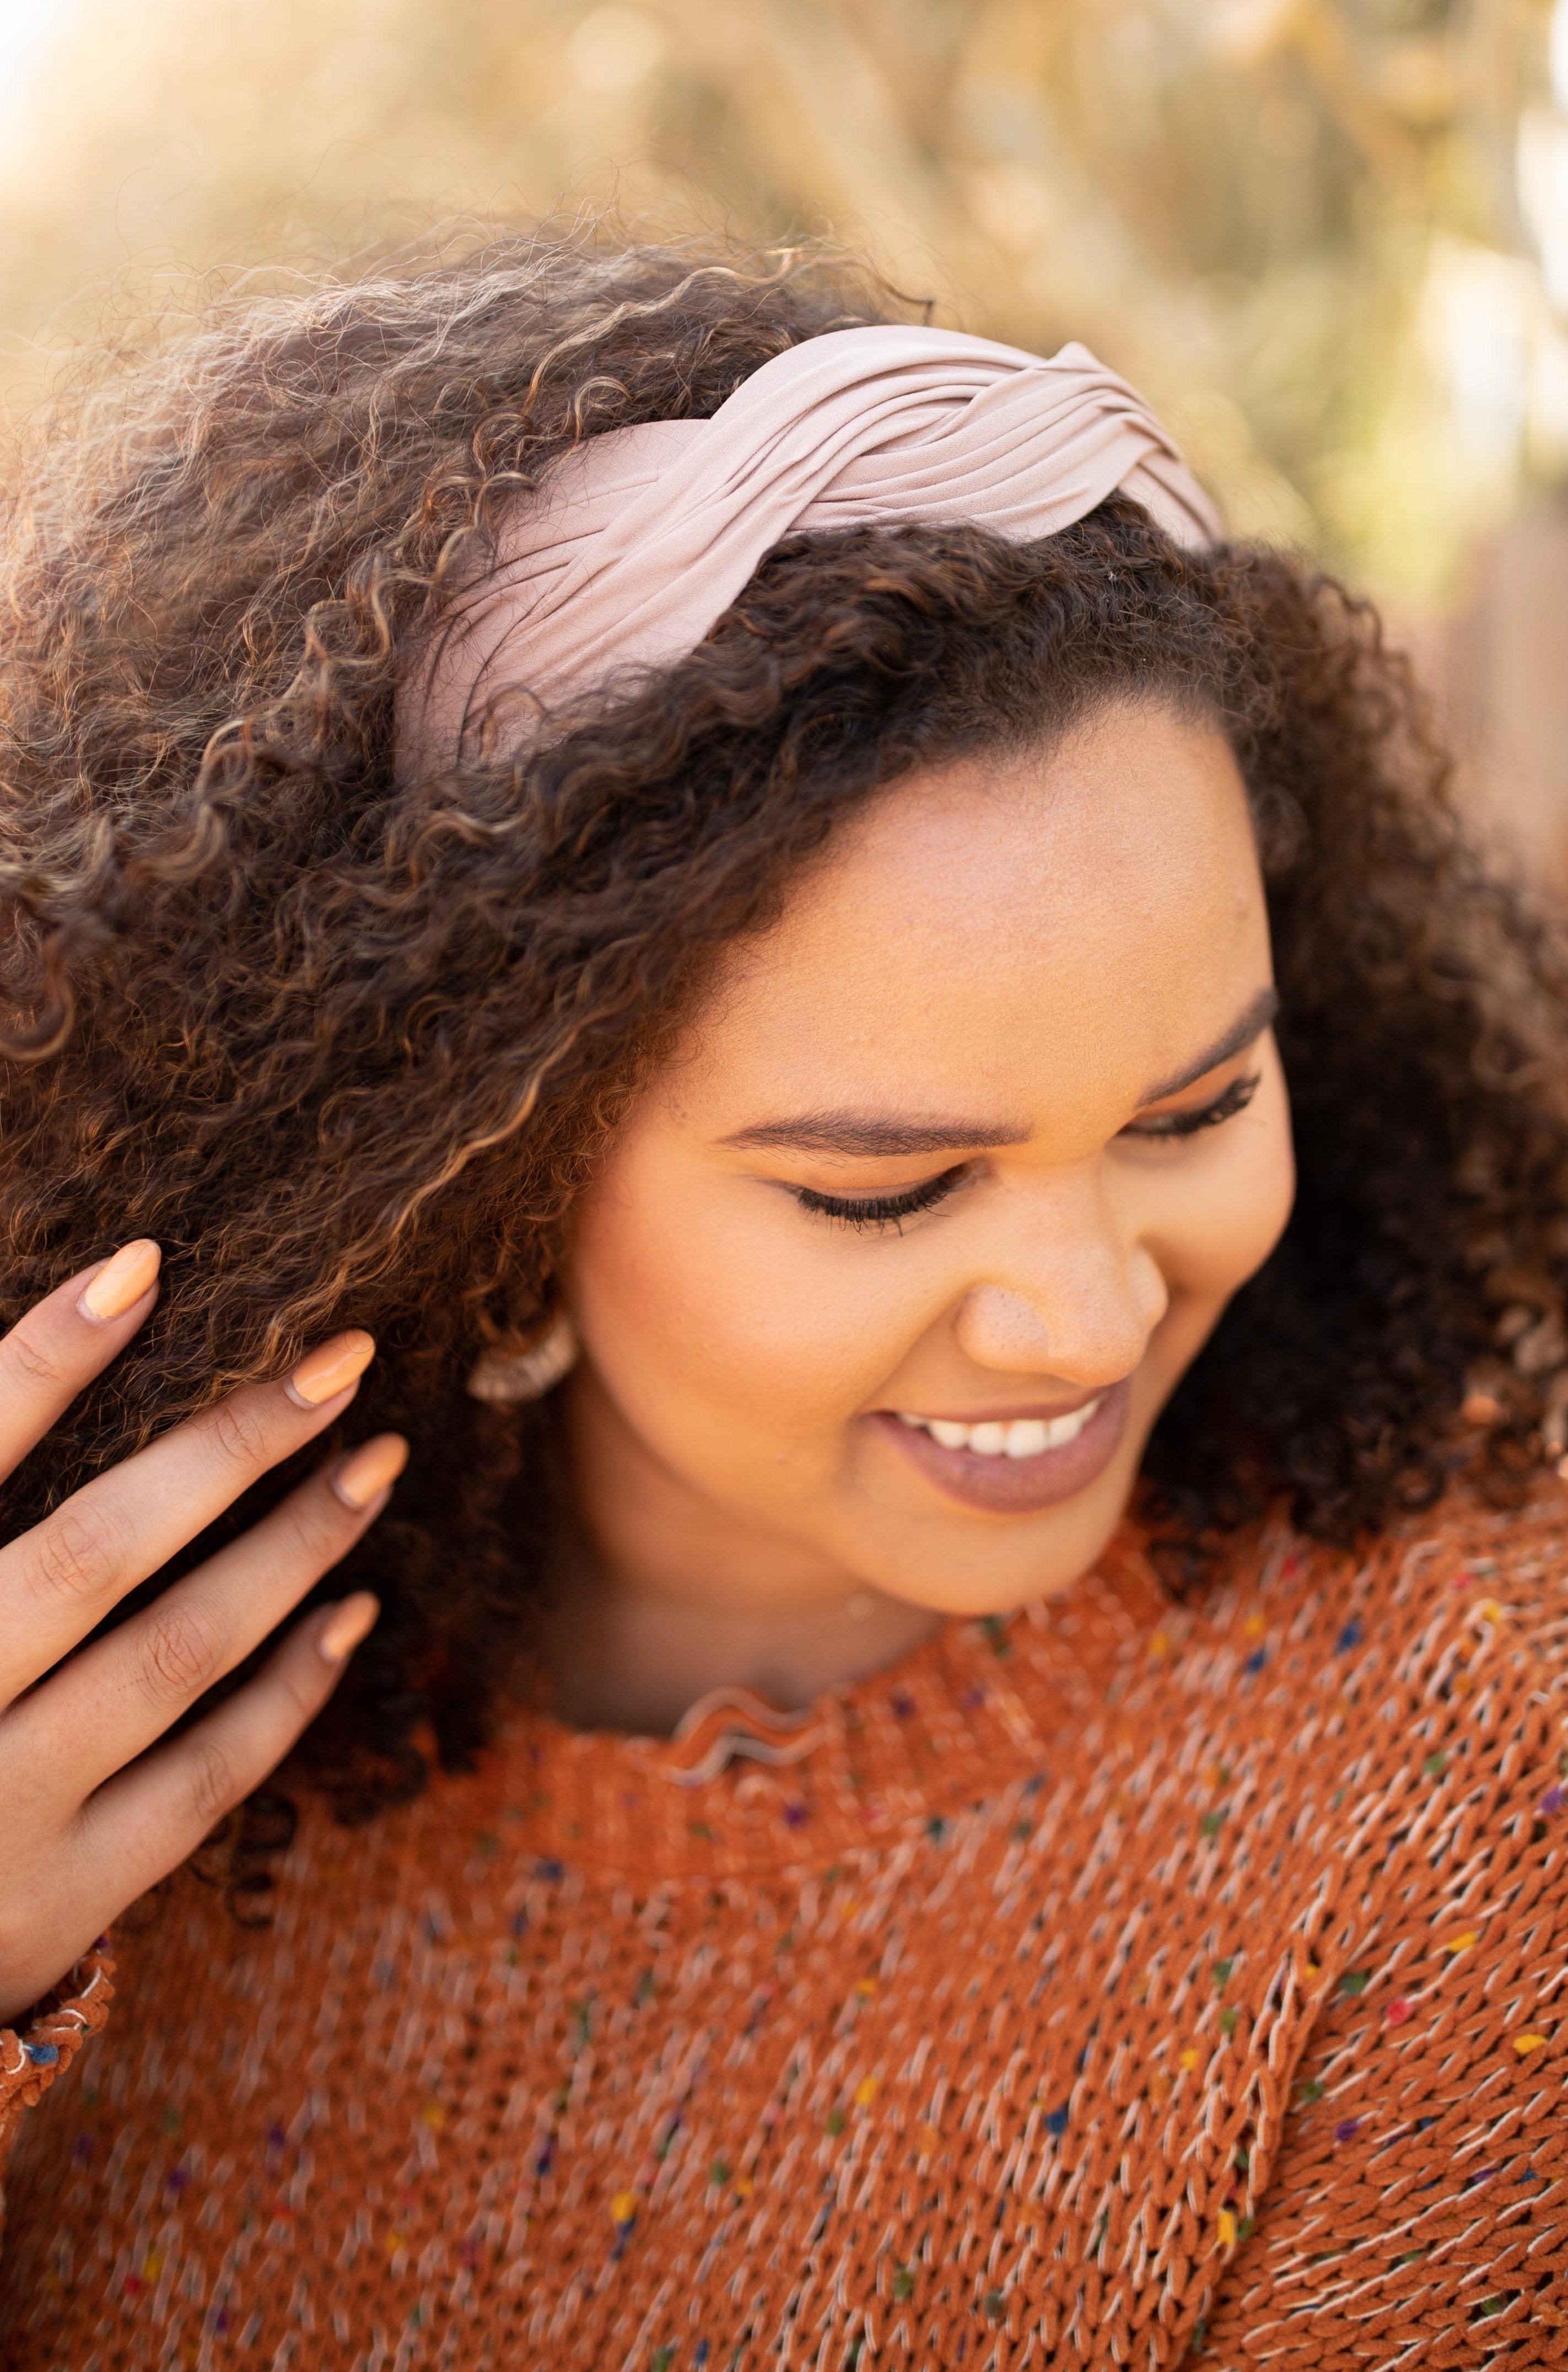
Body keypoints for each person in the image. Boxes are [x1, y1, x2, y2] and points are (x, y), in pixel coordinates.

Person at [1, 231, 1566, 2369]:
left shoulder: (1471, 1765)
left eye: (1195, 1102)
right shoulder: (89, 1778)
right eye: (889, 1185)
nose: (1084, 1313)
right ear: (492, 1179)